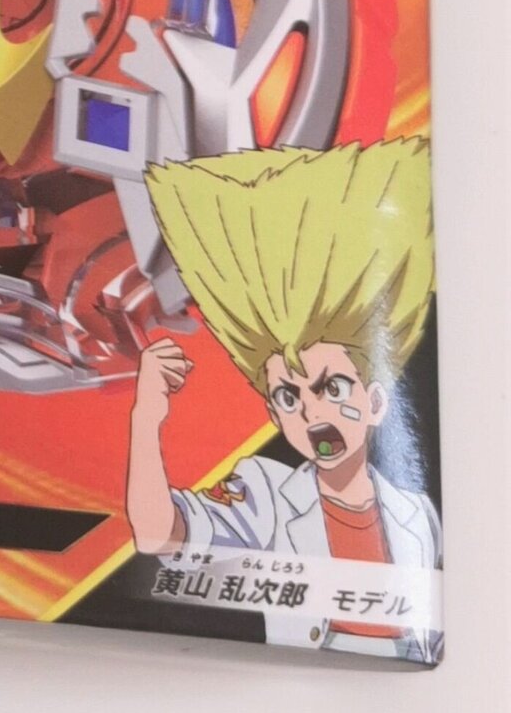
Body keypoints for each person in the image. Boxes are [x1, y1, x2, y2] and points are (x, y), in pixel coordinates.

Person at [126, 139, 440, 662]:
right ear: (274, 415)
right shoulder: (266, 494)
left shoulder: (418, 513)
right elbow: (158, 536)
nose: (313, 413)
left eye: (332, 388)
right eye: (289, 396)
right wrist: (146, 417)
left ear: (377, 402)